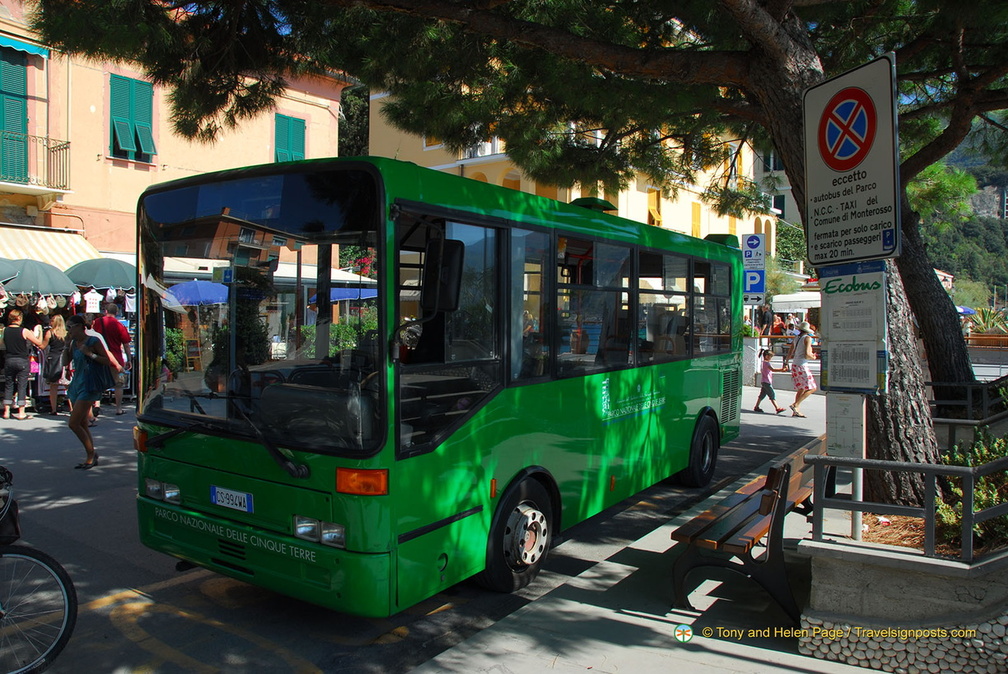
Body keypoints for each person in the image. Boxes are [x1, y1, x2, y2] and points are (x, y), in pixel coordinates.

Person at [63, 315, 114, 469]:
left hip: (89, 385)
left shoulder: (93, 341)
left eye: (70, 327)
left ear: (80, 326)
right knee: (82, 422)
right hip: (77, 383)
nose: (68, 330)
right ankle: (91, 454)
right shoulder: (73, 343)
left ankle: (91, 454)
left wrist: (90, 354)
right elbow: (65, 362)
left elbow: (107, 360)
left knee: (73, 423)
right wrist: (66, 346)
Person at [2, 309, 47, 420]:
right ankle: (21, 412)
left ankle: (6, 411)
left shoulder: (5, 330)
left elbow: (2, 344)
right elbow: (38, 343)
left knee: (9, 385)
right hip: (22, 359)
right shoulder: (24, 331)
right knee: (22, 385)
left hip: (9, 359)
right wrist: (40, 332)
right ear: (19, 318)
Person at [91, 303, 132, 415]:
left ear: (105, 311)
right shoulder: (119, 325)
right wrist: (129, 359)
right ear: (117, 313)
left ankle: (97, 405)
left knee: (98, 382)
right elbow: (126, 345)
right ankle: (118, 408)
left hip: (100, 357)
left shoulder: (97, 322)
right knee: (118, 384)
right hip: (116, 358)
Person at [787, 321, 818, 418]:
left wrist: (786, 361)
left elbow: (790, 351)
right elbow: (807, 354)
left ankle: (796, 410)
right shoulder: (807, 338)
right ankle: (795, 405)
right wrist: (813, 357)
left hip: (795, 364)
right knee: (812, 388)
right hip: (802, 365)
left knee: (801, 388)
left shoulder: (796, 338)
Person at [42, 314, 69, 416]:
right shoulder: (67, 334)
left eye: (52, 320)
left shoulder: (50, 333)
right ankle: (72, 408)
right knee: (67, 385)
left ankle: (54, 409)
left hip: (53, 359)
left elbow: (43, 346)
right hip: (65, 359)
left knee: (53, 386)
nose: (50, 322)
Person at [753, 349, 787, 414]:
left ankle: (756, 406)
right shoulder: (766, 363)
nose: (771, 358)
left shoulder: (763, 363)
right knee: (772, 394)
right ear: (766, 356)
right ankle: (777, 408)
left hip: (764, 381)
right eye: (770, 356)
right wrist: (781, 370)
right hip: (767, 382)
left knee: (762, 395)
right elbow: (772, 369)